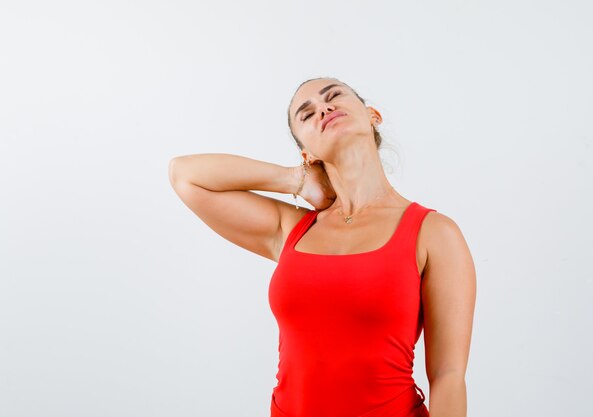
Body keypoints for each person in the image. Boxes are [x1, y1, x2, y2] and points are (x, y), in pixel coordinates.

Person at [168, 77, 476, 417]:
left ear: (372, 115)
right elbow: (185, 174)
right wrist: (294, 180)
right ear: (307, 152)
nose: (324, 109)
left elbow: (448, 377)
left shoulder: (433, 232)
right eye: (307, 113)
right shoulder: (292, 228)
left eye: (334, 97)